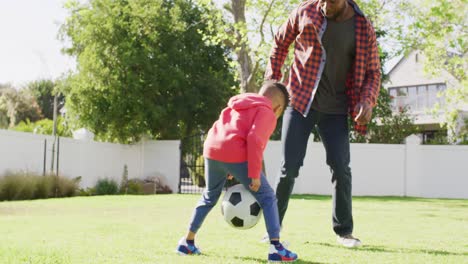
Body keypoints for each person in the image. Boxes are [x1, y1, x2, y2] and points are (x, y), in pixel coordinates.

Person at [264, 0, 381, 247]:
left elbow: (373, 72)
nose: (325, 6)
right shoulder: (305, 11)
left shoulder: (362, 26)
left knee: (341, 168)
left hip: (337, 109)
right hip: (300, 101)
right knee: (289, 167)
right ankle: (273, 228)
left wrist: (367, 101)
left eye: (331, 2)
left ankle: (344, 232)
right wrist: (273, 83)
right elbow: (279, 42)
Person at [176, 81, 298, 262]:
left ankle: (187, 242)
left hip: (212, 150)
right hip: (234, 154)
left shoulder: (236, 105)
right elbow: (255, 140)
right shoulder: (267, 112)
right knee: (268, 196)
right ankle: (276, 248)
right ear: (279, 107)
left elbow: (221, 130)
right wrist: (254, 173)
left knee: (209, 196)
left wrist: (226, 164)